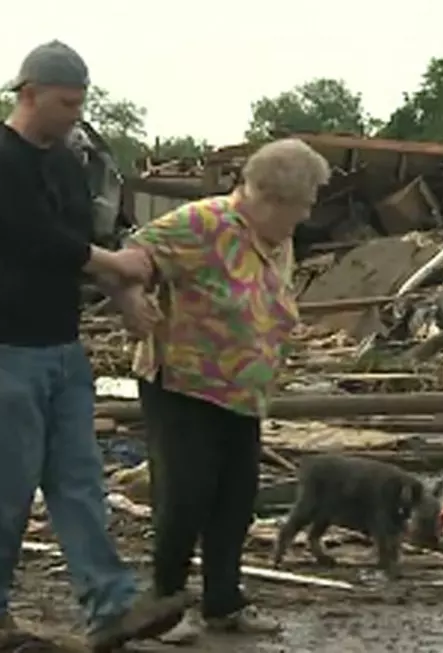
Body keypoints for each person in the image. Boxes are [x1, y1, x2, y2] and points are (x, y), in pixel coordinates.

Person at [0, 40, 186, 652]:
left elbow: (81, 243)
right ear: (29, 94)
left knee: (79, 480)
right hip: (0, 345)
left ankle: (111, 606)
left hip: (59, 346)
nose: (76, 114)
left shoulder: (66, 163)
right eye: (66, 103)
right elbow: (46, 243)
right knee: (6, 485)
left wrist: (128, 296)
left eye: (81, 103)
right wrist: (126, 268)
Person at [112, 138, 329, 645]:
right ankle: (165, 603)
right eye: (302, 206)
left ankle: (222, 603)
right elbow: (131, 258)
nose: (305, 217)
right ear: (273, 197)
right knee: (185, 495)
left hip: (243, 392)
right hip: (186, 384)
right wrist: (131, 303)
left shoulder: (277, 239)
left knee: (235, 499)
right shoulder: (203, 224)